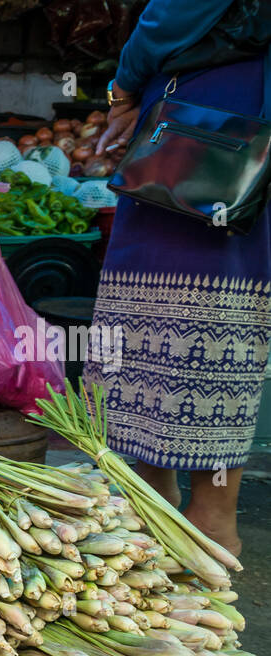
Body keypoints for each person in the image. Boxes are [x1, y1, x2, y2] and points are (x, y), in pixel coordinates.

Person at [85, 0, 270, 556]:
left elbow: (177, 10)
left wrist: (124, 87)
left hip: (207, 116)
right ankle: (196, 516)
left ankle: (196, 522)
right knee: (223, 317)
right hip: (247, 112)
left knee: (165, 310)